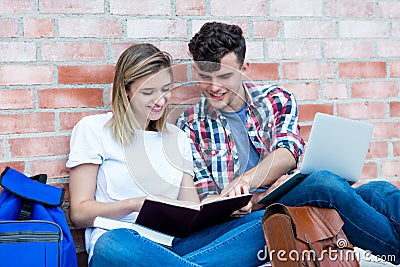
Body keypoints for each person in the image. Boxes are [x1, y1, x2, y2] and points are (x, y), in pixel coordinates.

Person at [177, 21, 400, 264]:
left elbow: (287, 152)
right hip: (244, 213)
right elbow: (205, 198)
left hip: (285, 194)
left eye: (225, 76)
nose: (214, 87)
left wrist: (245, 181)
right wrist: (238, 202)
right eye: (205, 77)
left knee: (377, 190)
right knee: (324, 183)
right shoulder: (190, 125)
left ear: (244, 69)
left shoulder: (276, 100)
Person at [67, 43, 267, 267]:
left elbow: (191, 210)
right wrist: (134, 205)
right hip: (122, 239)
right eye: (148, 92)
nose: (160, 100)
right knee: (111, 244)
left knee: (263, 223)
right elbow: (79, 213)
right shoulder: (94, 129)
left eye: (165, 90)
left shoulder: (177, 137)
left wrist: (224, 205)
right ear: (126, 90)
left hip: (174, 244)